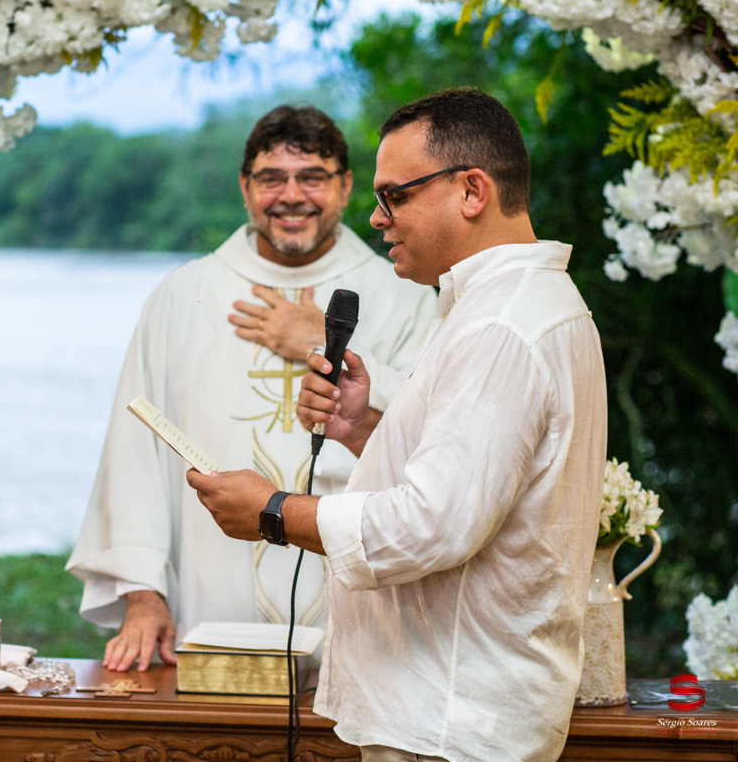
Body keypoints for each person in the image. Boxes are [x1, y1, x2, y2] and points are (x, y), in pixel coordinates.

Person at [189, 88, 608, 762]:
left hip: (452, 720)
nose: (378, 218)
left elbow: (432, 525)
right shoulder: (514, 304)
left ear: (472, 190)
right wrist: (366, 429)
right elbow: (472, 485)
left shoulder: (501, 324)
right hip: (447, 710)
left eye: (394, 196)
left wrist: (272, 512)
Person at [67, 105, 438, 672]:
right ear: (245, 188)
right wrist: (142, 595)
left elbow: (434, 441)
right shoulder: (182, 295)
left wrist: (317, 340)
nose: (291, 196)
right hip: (208, 593)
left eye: (312, 177)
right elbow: (135, 451)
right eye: (271, 179)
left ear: (344, 186)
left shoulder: (404, 294)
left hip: (367, 618)